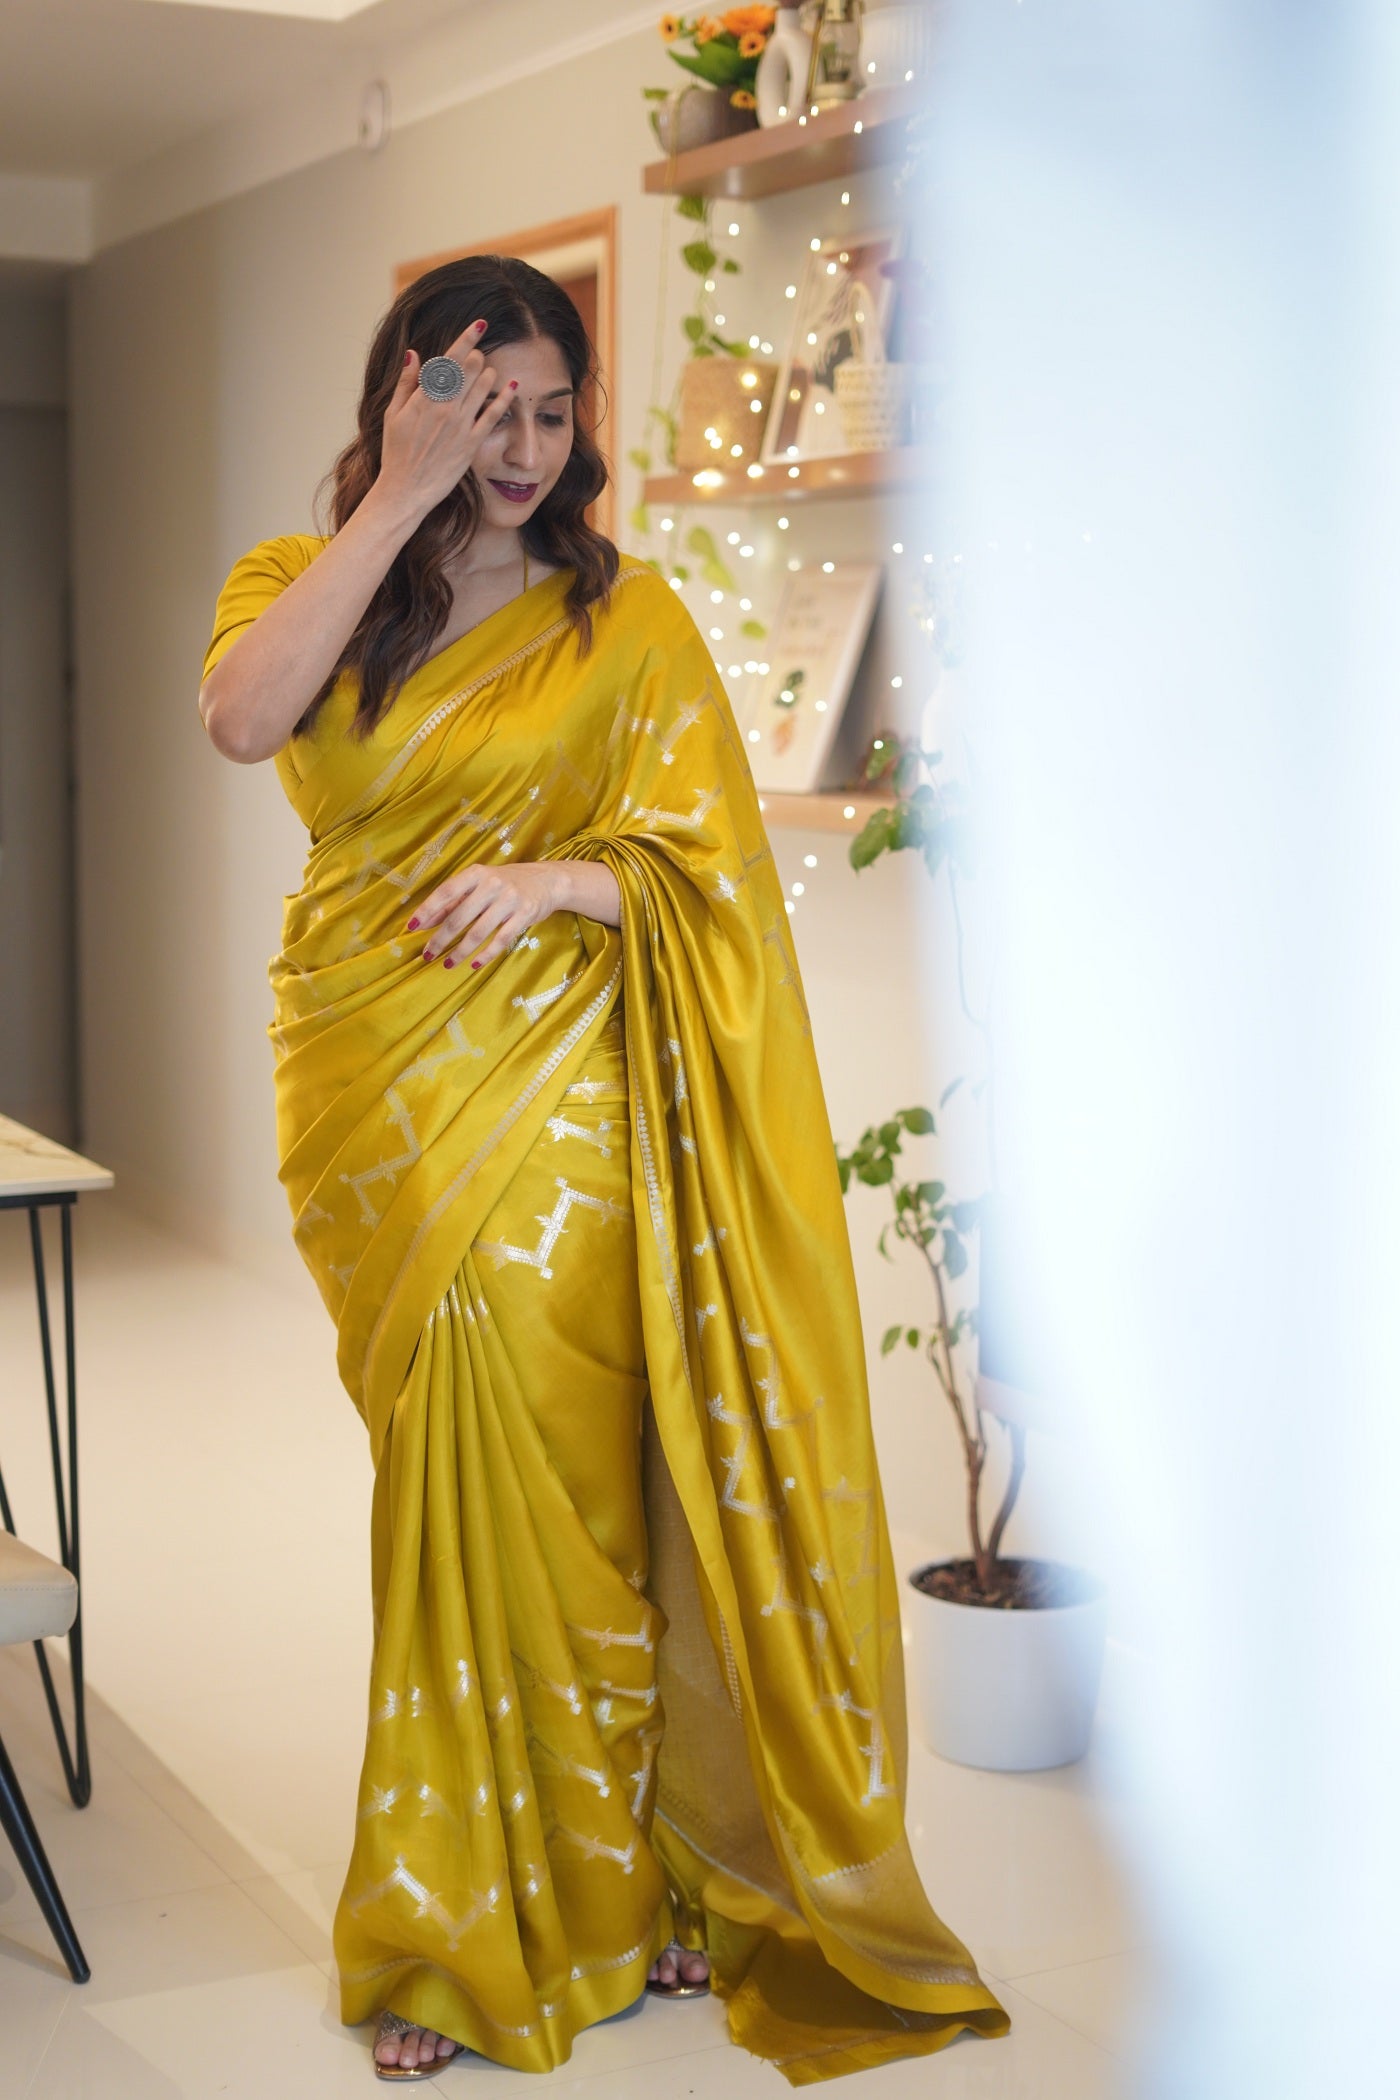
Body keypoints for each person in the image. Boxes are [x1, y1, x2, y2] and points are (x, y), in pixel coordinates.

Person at [199, 255, 1007, 2085]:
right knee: (446, 1498)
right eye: (490, 410)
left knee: (563, 1501)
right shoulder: (300, 579)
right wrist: (400, 498)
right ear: (411, 398)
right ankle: (504, 1904)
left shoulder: (620, 619)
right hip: (362, 1081)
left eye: (554, 414)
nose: (527, 447)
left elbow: (703, 860)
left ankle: (533, 1917)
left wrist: (564, 882)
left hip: (562, 1098)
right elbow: (248, 722)